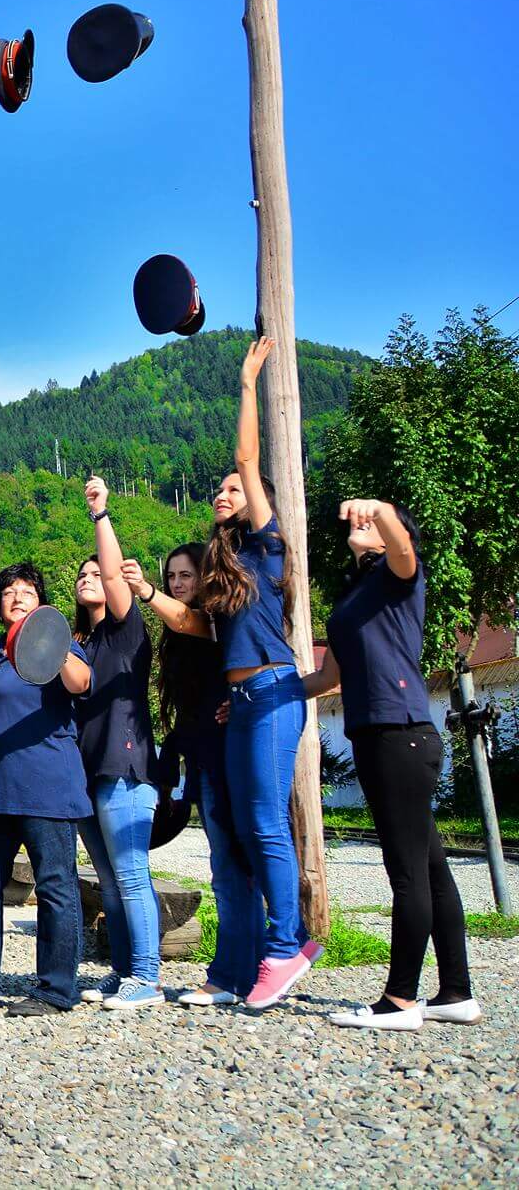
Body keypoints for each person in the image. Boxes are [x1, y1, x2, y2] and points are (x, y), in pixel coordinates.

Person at [158, 336, 319, 1009]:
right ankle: (274, 949)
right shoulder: (226, 572)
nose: (226, 491)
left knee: (263, 824)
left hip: (276, 691)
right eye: (221, 490)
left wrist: (249, 382)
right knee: (252, 825)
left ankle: (284, 948)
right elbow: (197, 627)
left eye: (234, 490)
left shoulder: (271, 545)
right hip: (245, 699)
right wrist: (145, 592)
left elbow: (248, 457)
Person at [305, 499, 477, 1030]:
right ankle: (454, 993)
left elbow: (403, 546)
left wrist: (380, 509)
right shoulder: (357, 593)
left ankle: (401, 999)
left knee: (407, 873)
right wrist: (260, 694)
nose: (362, 524)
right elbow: (327, 677)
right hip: (382, 736)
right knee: (431, 868)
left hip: (398, 735)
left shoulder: (399, 574)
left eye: (375, 523)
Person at [127, 546, 254, 1007]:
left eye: (187, 575)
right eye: (172, 576)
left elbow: (186, 619)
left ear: (207, 578)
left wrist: (146, 590)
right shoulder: (177, 635)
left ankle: (238, 973)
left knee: (235, 869)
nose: (179, 583)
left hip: (226, 754)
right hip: (201, 753)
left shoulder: (218, 621)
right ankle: (236, 972)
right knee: (225, 869)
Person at [0, 564, 93, 1016]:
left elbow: (81, 683)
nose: (17, 597)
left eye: (27, 591)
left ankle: (55, 989)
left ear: (40, 602)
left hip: (49, 789)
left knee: (56, 886)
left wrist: (52, 645)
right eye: (8, 592)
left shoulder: (65, 650)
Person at [72, 476, 163, 1011]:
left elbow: (112, 571)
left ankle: (146, 977)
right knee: (109, 882)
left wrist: (100, 516)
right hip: (85, 776)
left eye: (96, 573)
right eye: (81, 575)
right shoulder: (78, 642)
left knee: (130, 875)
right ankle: (126, 972)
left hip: (123, 770)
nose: (91, 578)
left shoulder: (126, 632)